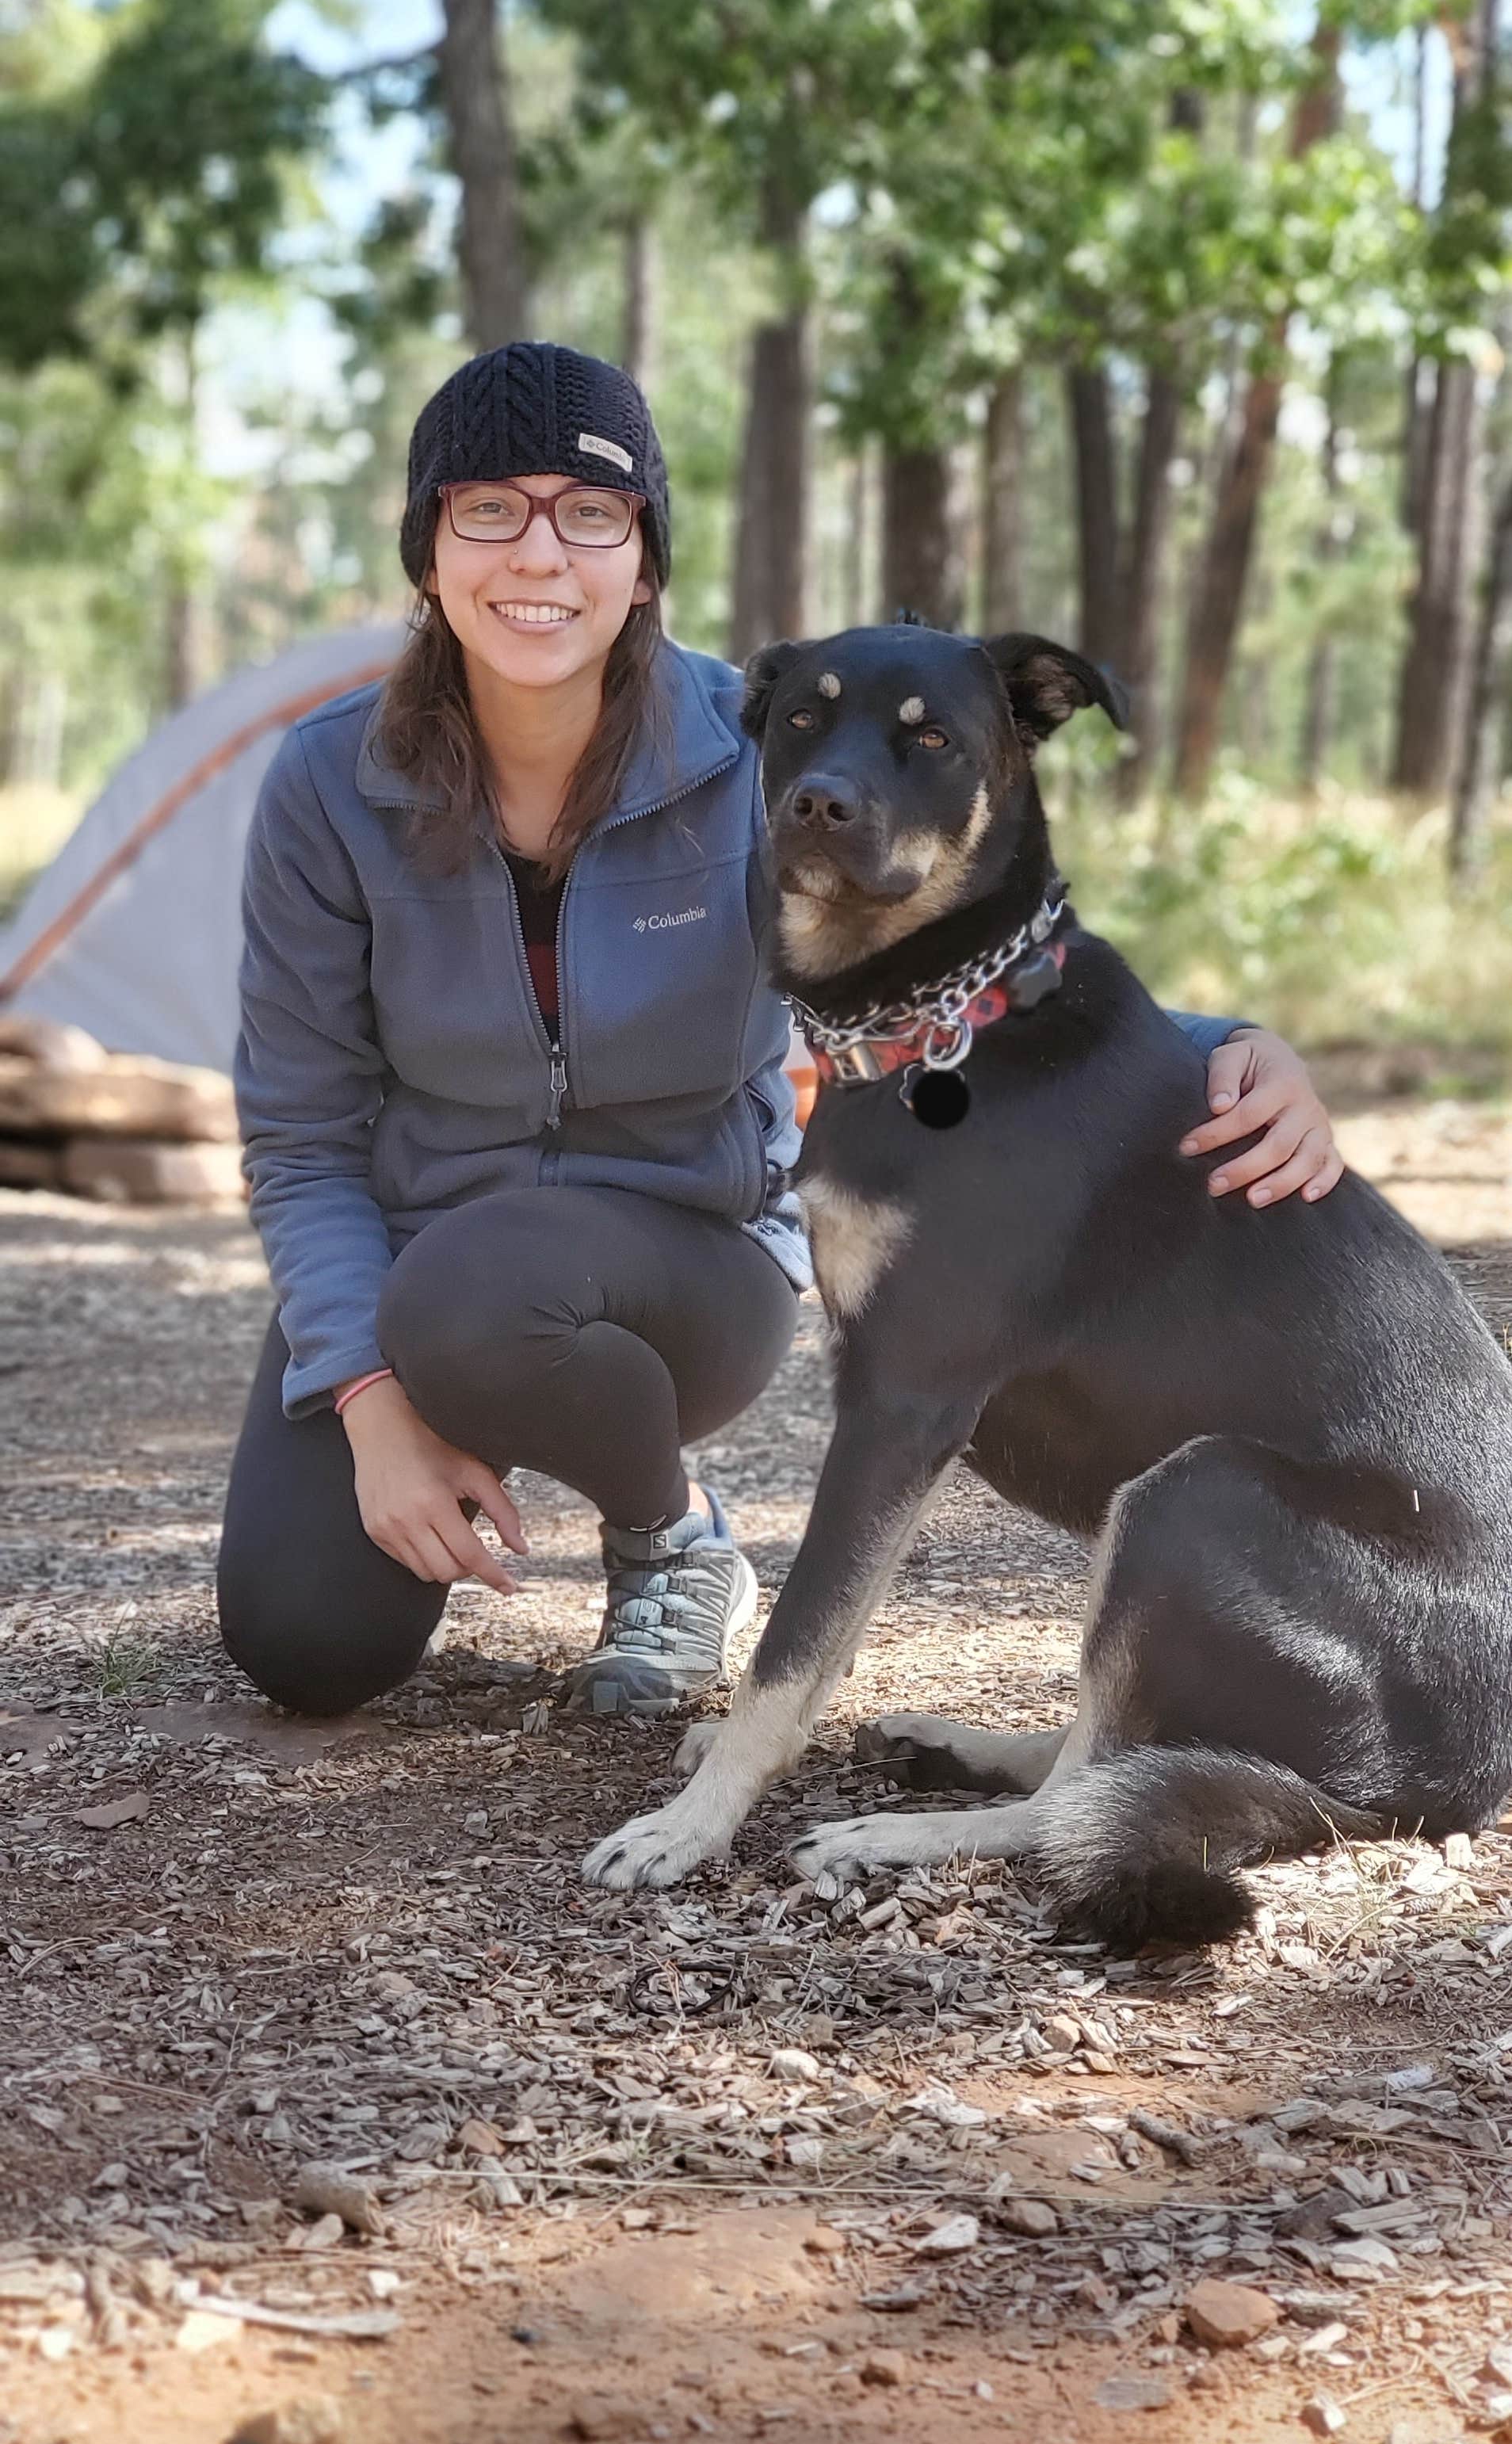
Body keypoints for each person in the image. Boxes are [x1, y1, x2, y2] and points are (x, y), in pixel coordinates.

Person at [216, 340, 1343, 1724]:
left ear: (645, 560)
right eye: (489, 510)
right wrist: (370, 1400)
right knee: (305, 1639)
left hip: (687, 1259)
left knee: (473, 1291)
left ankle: (673, 1539)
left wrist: (1224, 1043)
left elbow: (969, 968)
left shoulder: (761, 748)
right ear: (429, 550)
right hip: (418, 1267)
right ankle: (447, 1387)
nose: (540, 554)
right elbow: (303, 1135)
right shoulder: (332, 782)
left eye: (591, 513)